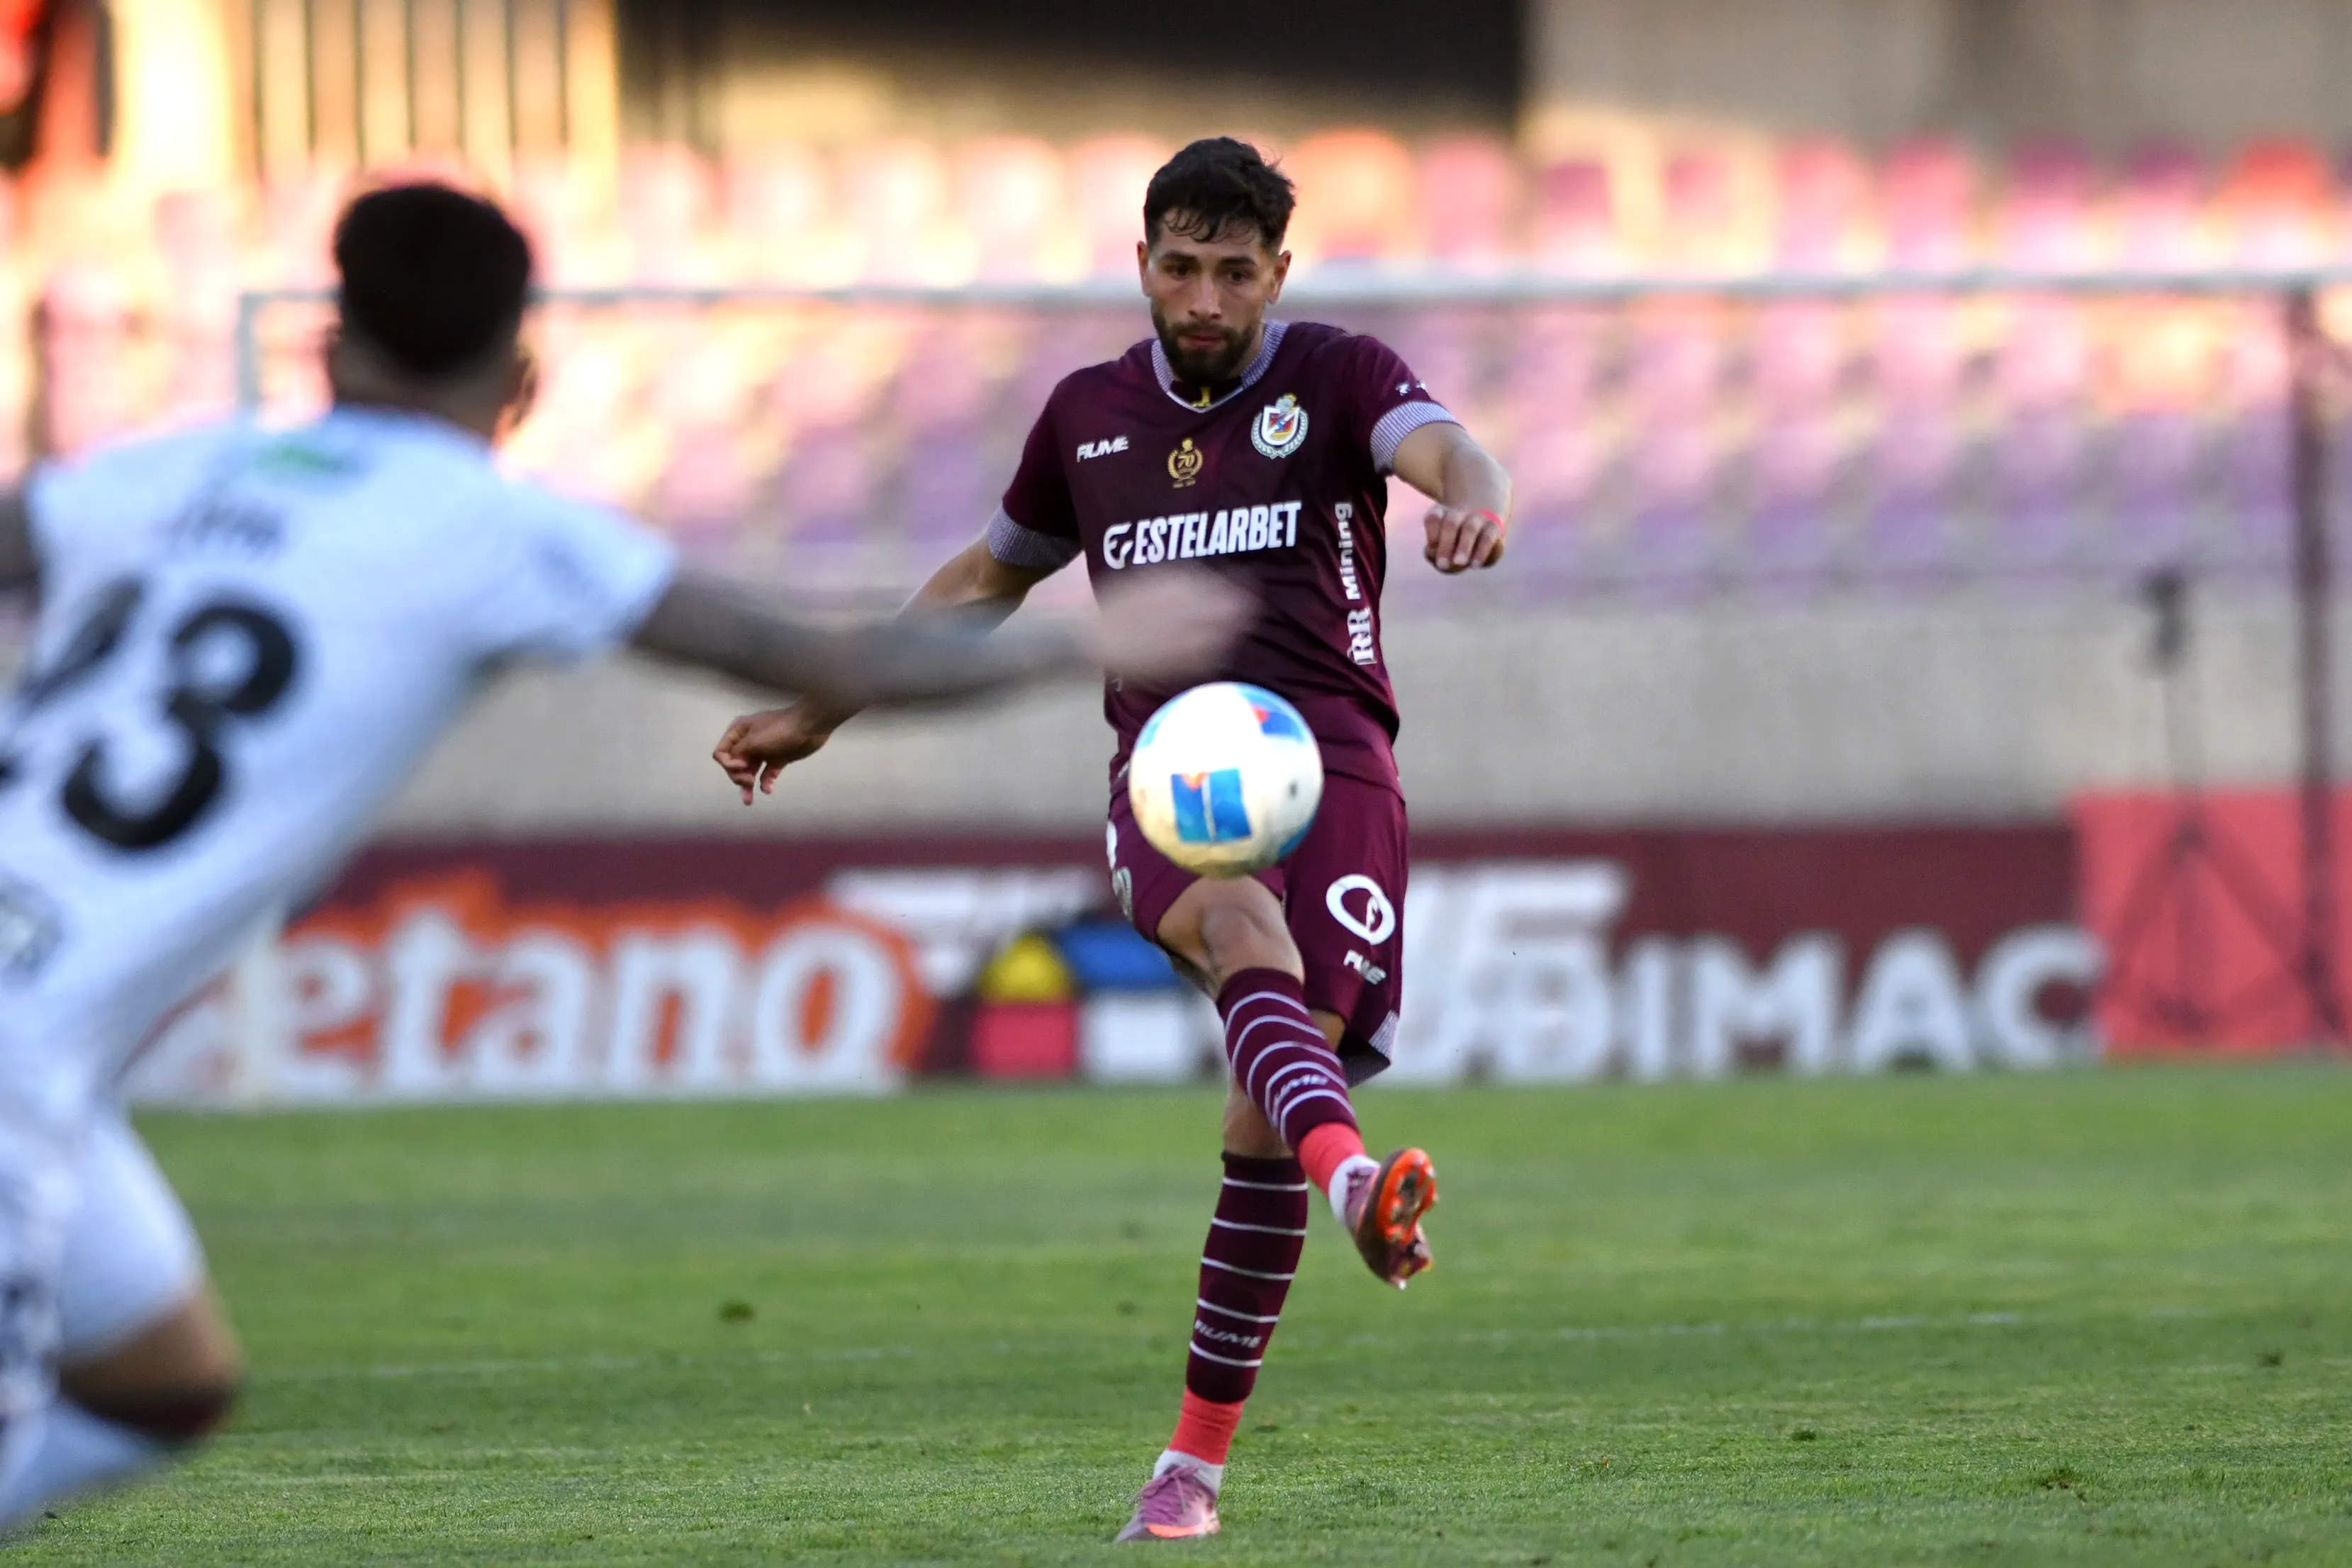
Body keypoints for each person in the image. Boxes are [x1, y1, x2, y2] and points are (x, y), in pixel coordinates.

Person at [0, 181, 1242, 1531]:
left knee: (165, 1384)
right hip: (19, 1049)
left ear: (326, 348)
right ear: (522, 381)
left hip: (46, 1058)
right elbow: (823, 658)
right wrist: (1092, 641)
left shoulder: (151, 473)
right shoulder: (499, 532)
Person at [712, 135, 1512, 1542]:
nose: (1204, 298)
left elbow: (1441, 445)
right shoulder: (1085, 414)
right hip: (1172, 764)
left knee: (1265, 1102)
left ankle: (1192, 1469)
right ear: (1141, 262)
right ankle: (1354, 1184)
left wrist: (1473, 493)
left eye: (1234, 272)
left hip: (1333, 759)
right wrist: (825, 709)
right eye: (1181, 266)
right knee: (1240, 932)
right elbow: (985, 578)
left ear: (1277, 274)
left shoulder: (1338, 376)